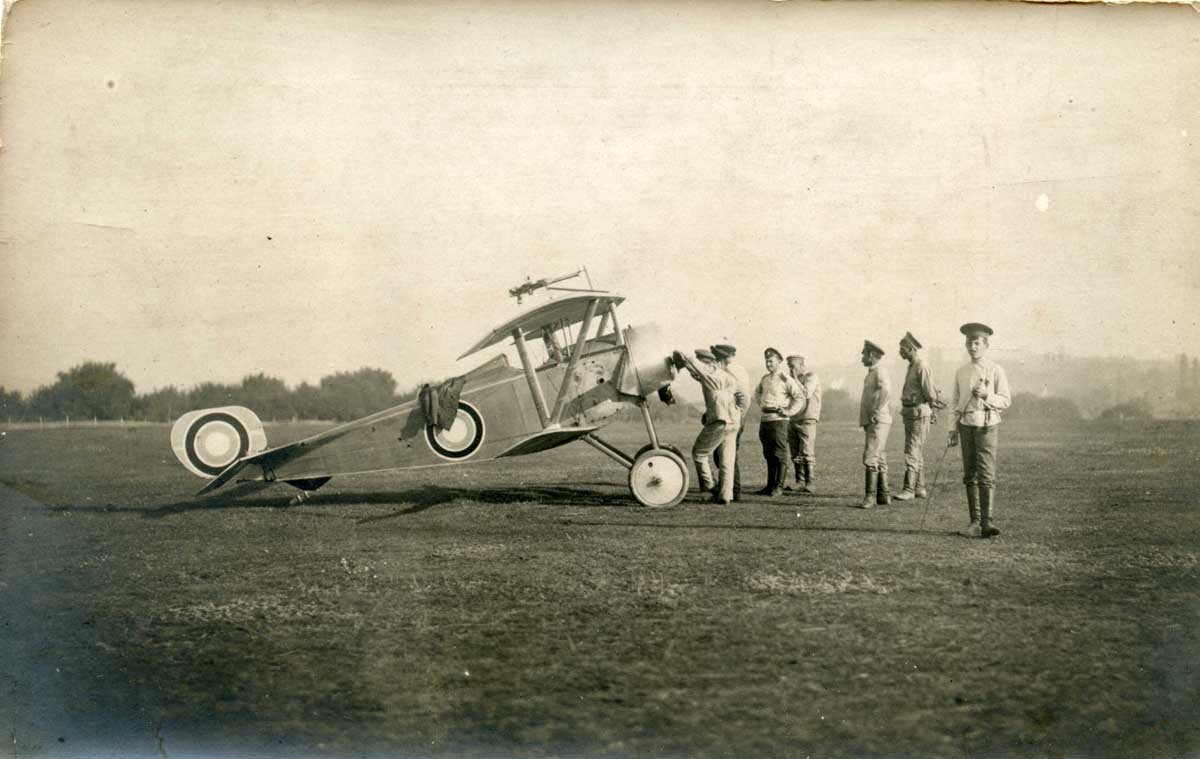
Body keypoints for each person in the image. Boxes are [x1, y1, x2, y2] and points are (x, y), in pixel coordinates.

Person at [949, 323, 1012, 538]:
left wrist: (986, 395)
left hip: (987, 426)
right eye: (969, 342)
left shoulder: (995, 369)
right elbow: (955, 402)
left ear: (986, 345)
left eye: (977, 342)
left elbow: (1005, 400)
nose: (972, 346)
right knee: (970, 474)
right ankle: (974, 522)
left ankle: (987, 522)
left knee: (986, 474)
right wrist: (952, 429)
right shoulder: (961, 371)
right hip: (966, 426)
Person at [674, 348, 746, 505]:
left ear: (707, 362)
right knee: (727, 459)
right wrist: (739, 412)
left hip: (718, 420)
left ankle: (710, 486)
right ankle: (726, 495)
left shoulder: (709, 373)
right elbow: (742, 396)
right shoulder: (728, 376)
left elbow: (693, 363)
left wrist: (680, 354)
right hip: (734, 420)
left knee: (699, 453)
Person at [893, 332, 939, 502]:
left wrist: (931, 409)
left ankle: (909, 489)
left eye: (903, 348)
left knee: (912, 450)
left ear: (911, 348)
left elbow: (930, 394)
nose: (900, 352)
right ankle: (920, 488)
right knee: (916, 450)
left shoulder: (921, 365)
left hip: (918, 413)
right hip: (911, 413)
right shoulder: (912, 366)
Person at [754, 347, 806, 496]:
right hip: (765, 420)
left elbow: (799, 398)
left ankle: (779, 486)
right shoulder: (764, 379)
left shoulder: (786, 379)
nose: (768, 364)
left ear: (779, 362)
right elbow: (757, 393)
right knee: (768, 454)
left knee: (780, 455)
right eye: (766, 361)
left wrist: (789, 411)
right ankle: (770, 485)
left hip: (779, 421)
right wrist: (762, 404)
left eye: (771, 361)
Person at [713, 343, 753, 501]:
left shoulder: (733, 370)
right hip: (728, 416)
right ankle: (729, 488)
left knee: (727, 454)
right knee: (722, 454)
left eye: (719, 357)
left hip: (731, 418)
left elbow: (744, 397)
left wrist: (737, 415)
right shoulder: (729, 369)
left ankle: (733, 490)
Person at [858, 340, 893, 509]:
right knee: (880, 456)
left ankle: (870, 497)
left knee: (871, 456)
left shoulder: (879, 371)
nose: (862, 357)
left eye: (864, 354)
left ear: (871, 355)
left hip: (878, 419)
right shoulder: (873, 372)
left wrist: (875, 411)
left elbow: (886, 390)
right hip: (876, 419)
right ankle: (883, 495)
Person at [785, 355, 821, 493]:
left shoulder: (811, 376)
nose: (790, 368)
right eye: (789, 366)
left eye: (792, 365)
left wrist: (793, 380)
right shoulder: (792, 380)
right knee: (795, 451)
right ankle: (799, 481)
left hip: (807, 419)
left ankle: (810, 482)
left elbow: (806, 393)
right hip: (793, 419)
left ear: (801, 364)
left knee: (807, 450)